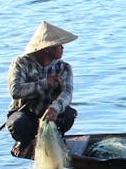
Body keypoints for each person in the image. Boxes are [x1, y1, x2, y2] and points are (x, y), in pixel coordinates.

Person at [6, 21, 78, 159]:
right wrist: (44, 84)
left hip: (50, 113)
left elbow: (67, 94)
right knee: (18, 124)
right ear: (48, 48)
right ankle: (27, 143)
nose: (63, 48)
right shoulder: (21, 64)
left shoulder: (64, 68)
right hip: (26, 113)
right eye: (59, 45)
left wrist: (55, 108)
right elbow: (16, 91)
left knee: (69, 115)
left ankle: (55, 140)